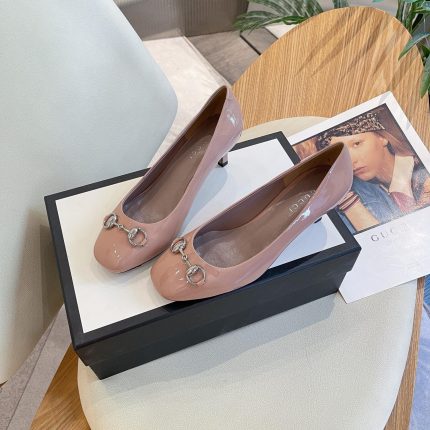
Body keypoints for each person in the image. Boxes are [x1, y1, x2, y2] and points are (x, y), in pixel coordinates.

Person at [314, 110, 430, 233]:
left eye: (357, 144)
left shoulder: (423, 173)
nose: (351, 160)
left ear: (382, 137)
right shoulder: (357, 193)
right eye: (340, 154)